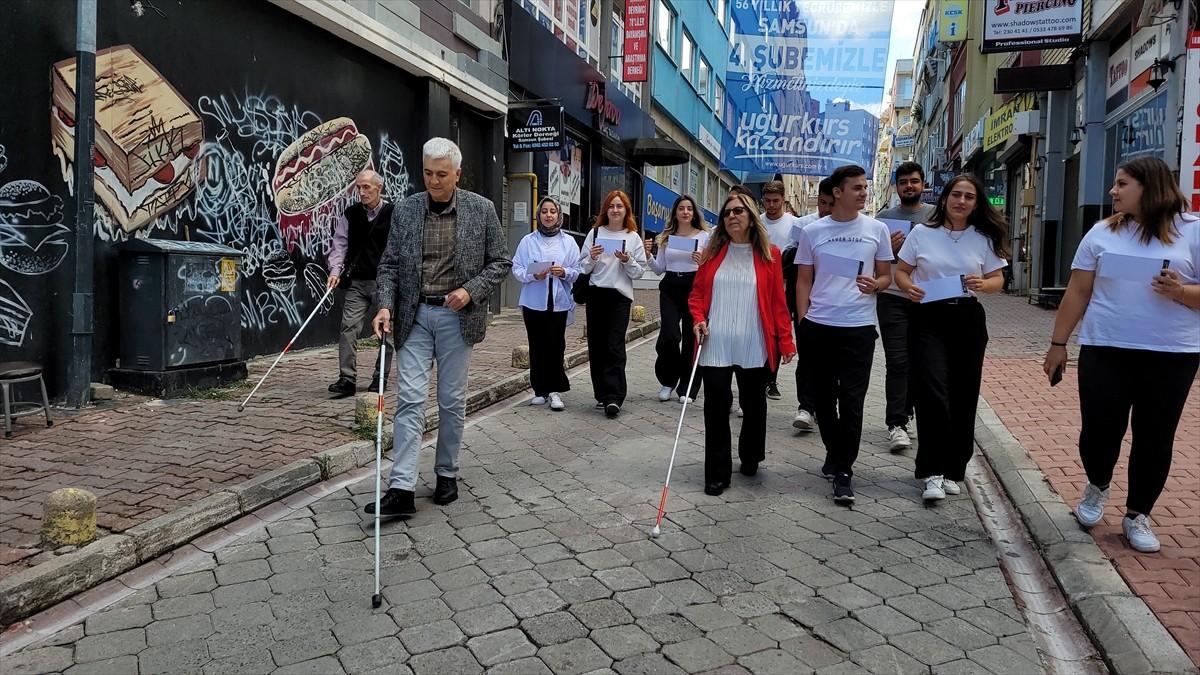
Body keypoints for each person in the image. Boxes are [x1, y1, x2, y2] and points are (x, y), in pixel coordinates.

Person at [1042, 157, 1199, 553]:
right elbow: (1078, 291)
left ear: (1148, 187)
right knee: (1099, 430)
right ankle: (1097, 485)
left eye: (1121, 183)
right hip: (1106, 347)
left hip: (1171, 353)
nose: (1113, 191)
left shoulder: (1192, 232)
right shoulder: (1101, 233)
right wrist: (1058, 344)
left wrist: (1180, 292)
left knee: (1154, 436)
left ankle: (1137, 514)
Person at [367, 138, 512, 516]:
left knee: (450, 402)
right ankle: (401, 488)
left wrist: (470, 290)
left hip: (456, 319)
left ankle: (446, 472)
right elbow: (389, 265)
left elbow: (500, 262)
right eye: (428, 173)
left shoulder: (482, 210)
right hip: (414, 317)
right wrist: (384, 305)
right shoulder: (407, 210)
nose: (433, 181)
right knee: (411, 400)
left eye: (442, 174)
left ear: (457, 174)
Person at [894, 174, 1009, 502]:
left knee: (963, 394)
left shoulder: (982, 237)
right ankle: (931, 470)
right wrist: (908, 287)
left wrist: (982, 285)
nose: (961, 201)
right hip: (928, 317)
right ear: (944, 198)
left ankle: (953, 468)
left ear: (976, 203)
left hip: (967, 320)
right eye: (956, 194)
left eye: (969, 197)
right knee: (932, 392)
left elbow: (997, 279)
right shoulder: (922, 234)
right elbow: (901, 271)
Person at [794, 165, 893, 504]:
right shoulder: (813, 231)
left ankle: (844, 470)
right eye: (856, 188)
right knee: (823, 399)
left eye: (865, 187)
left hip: (859, 328)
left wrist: (876, 284)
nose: (864, 193)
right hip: (819, 326)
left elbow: (885, 276)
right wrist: (804, 320)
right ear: (837, 193)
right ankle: (835, 452)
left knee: (852, 402)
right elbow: (804, 279)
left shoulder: (876, 229)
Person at [690, 194, 795, 496]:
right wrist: (698, 318)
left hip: (754, 341)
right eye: (727, 213)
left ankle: (751, 455)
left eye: (738, 211)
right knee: (716, 407)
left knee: (754, 405)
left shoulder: (769, 256)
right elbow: (697, 295)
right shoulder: (712, 254)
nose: (732, 216)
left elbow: (778, 303)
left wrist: (786, 342)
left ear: (751, 216)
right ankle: (717, 472)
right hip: (716, 341)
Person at [875, 162, 937, 451]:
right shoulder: (883, 219)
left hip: (928, 298)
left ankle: (909, 412)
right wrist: (886, 246)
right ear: (896, 187)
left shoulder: (937, 217)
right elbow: (872, 259)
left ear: (923, 184)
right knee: (897, 361)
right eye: (903, 182)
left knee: (921, 361)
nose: (909, 186)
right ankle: (896, 423)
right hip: (893, 298)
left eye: (914, 181)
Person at [579, 190, 648, 417]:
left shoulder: (633, 237)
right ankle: (601, 393)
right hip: (597, 294)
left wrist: (627, 260)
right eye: (611, 206)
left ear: (626, 210)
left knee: (614, 345)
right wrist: (593, 257)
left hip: (620, 297)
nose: (615, 210)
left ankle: (615, 396)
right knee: (597, 346)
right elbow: (582, 267)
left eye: (620, 206)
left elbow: (639, 271)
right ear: (605, 210)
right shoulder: (595, 233)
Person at [326, 170, 395, 397]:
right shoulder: (351, 214)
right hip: (357, 281)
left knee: (385, 332)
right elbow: (340, 244)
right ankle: (347, 378)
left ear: (379, 188)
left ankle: (380, 378)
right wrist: (335, 271)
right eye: (358, 187)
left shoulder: (393, 213)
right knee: (348, 328)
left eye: (366, 187)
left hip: (383, 283)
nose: (362, 192)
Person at [512, 196, 581, 412]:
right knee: (537, 345)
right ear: (538, 215)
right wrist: (534, 276)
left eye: (553, 211)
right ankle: (539, 390)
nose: (548, 215)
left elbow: (578, 270)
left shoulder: (568, 242)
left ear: (559, 215)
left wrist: (565, 272)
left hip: (558, 301)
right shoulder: (527, 241)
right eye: (544, 211)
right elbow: (517, 268)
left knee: (555, 345)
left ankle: (554, 390)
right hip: (534, 301)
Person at [644, 195, 710, 403]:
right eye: (681, 208)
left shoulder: (705, 237)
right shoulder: (666, 237)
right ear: (675, 213)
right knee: (670, 336)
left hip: (694, 286)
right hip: (671, 287)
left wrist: (703, 262)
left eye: (689, 208)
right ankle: (668, 381)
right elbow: (659, 269)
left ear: (694, 212)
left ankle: (688, 387)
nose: (685, 212)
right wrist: (648, 256)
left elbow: (710, 268)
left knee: (692, 338)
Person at [784, 177, 835, 431]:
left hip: (834, 303)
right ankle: (805, 406)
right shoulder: (804, 225)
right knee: (807, 355)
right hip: (805, 301)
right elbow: (788, 256)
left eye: (831, 203)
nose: (826, 209)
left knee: (830, 360)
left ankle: (827, 405)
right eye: (822, 203)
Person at [760, 180, 799, 401]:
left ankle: (771, 379)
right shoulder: (756, 222)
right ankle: (762, 376)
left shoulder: (795, 224)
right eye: (767, 201)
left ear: (784, 199)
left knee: (778, 332)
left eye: (776, 201)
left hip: (786, 287)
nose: (771, 205)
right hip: (760, 285)